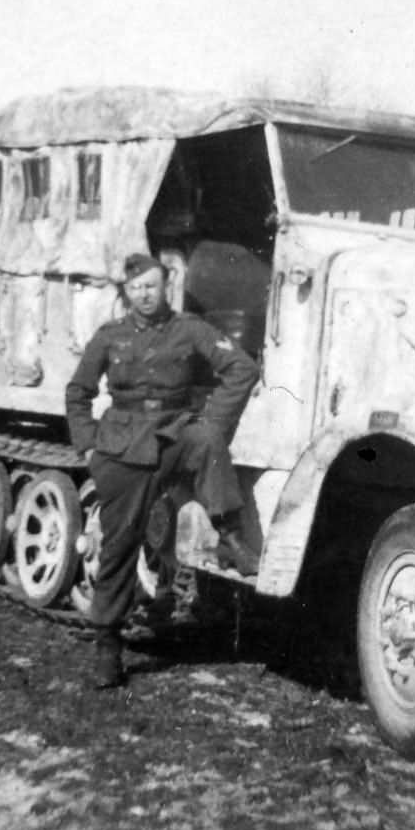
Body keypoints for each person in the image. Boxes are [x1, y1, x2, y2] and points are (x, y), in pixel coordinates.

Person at [66, 253, 259, 689]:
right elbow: (77, 391)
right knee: (119, 544)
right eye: (136, 288)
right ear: (126, 292)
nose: (144, 295)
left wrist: (214, 423)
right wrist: (89, 449)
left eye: (151, 286)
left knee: (207, 440)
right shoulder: (109, 336)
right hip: (122, 447)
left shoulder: (189, 329)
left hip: (173, 434)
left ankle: (228, 535)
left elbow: (241, 368)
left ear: (166, 286)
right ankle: (108, 644)